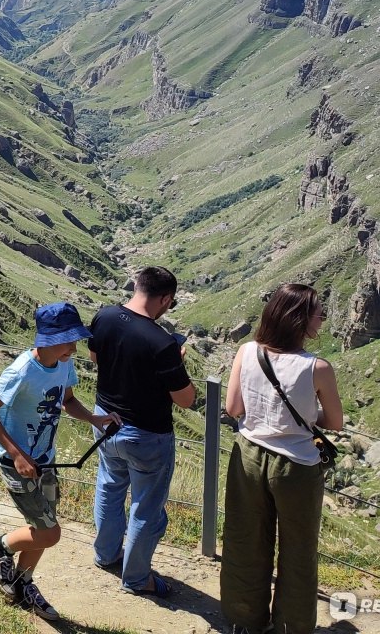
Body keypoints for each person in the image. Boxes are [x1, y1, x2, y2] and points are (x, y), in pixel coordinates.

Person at [0, 301, 120, 618]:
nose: (74, 346)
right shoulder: (22, 370)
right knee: (49, 532)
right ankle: (0, 546)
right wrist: (17, 454)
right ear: (49, 339)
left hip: (46, 459)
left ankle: (23, 583)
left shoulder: (63, 363)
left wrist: (94, 420)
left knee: (43, 526)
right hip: (17, 463)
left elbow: (67, 400)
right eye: (69, 339)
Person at [219, 282, 343, 634]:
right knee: (298, 549)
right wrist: (305, 417)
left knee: (245, 539)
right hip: (296, 466)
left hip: (248, 456)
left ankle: (243, 620)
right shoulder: (317, 368)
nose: (322, 319)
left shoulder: (247, 352)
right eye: (318, 313)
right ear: (300, 320)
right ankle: (291, 626)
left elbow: (233, 408)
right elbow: (334, 421)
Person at [88, 266, 197, 597]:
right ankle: (136, 579)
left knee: (109, 488)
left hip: (105, 420)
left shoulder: (103, 316)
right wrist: (176, 363)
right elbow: (186, 400)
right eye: (170, 303)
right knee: (146, 507)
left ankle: (106, 555)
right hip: (146, 434)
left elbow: (96, 358)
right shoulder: (163, 344)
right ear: (165, 299)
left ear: (137, 286)